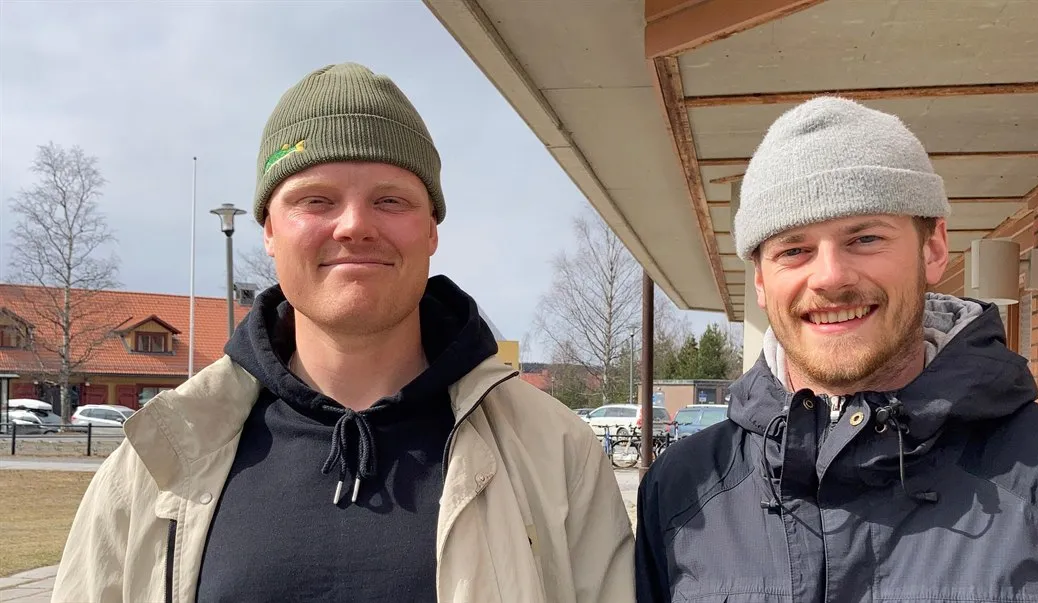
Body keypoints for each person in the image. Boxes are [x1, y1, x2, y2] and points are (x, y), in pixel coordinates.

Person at [53, 63, 634, 603]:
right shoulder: (160, 457)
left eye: (390, 200)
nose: (355, 225)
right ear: (270, 231)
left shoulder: (555, 453)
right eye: (316, 200)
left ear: (431, 230)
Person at [635, 97, 1038, 602]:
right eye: (794, 250)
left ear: (934, 249)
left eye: (865, 237)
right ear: (760, 282)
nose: (830, 277)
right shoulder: (682, 488)